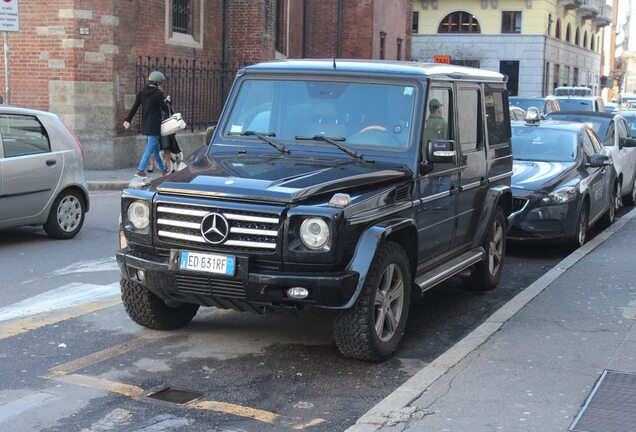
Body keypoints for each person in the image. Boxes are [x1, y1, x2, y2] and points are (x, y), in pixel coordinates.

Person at [123, 70, 169, 177]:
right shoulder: (158, 93)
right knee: (150, 148)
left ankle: (163, 170)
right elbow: (164, 107)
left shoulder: (142, 92)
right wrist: (168, 106)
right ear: (158, 83)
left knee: (156, 149)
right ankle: (140, 170)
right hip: (154, 125)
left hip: (146, 124)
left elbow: (134, 107)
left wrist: (128, 120)